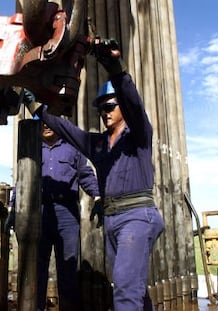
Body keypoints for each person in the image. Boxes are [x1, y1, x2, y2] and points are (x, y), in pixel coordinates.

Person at [24, 43, 165, 310]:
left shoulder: (138, 135)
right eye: (101, 108)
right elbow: (66, 129)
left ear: (121, 106)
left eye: (111, 105)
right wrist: (36, 107)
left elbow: (134, 104)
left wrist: (115, 70)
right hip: (113, 219)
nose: (105, 111)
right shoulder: (98, 144)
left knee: (124, 288)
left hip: (137, 215)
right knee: (133, 287)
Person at [7, 124, 101, 311]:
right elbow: (22, 181)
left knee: (68, 268)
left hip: (66, 213)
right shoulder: (33, 149)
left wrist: (98, 195)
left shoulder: (73, 148)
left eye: (50, 122)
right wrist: (13, 208)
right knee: (37, 268)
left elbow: (85, 175)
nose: (45, 126)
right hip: (38, 213)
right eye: (42, 122)